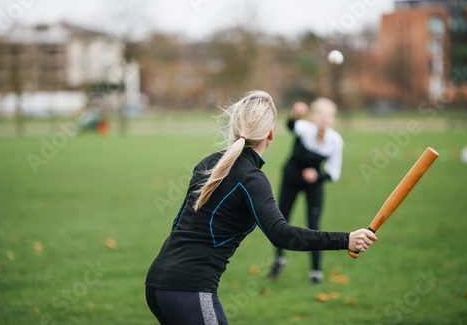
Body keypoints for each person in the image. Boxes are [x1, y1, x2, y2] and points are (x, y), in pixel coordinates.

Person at [145, 91, 376, 325]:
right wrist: (345, 239)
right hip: (189, 291)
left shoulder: (209, 162)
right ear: (271, 134)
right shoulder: (252, 179)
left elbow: (178, 223)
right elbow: (281, 234)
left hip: (156, 283)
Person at [268, 98, 343, 283]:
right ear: (313, 116)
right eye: (319, 113)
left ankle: (316, 271)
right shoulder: (304, 129)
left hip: (313, 185)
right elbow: (291, 125)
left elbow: (334, 172)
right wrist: (295, 113)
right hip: (291, 179)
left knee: (314, 223)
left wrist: (317, 176)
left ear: (333, 119)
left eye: (328, 115)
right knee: (282, 219)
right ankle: (279, 259)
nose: (323, 118)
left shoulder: (335, 141)